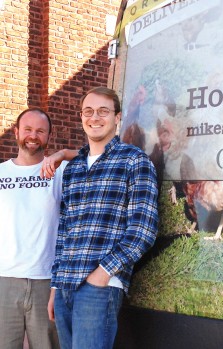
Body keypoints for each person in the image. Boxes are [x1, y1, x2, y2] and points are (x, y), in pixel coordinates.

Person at [48, 86, 159, 349]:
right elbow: (65, 230)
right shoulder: (73, 168)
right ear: (81, 117)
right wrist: (55, 286)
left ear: (117, 117)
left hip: (99, 286)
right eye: (88, 111)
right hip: (65, 284)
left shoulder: (134, 161)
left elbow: (143, 230)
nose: (94, 117)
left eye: (103, 111)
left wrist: (103, 274)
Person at [0, 108, 65, 349]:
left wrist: (62, 154)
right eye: (27, 129)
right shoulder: (1, 173)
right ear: (16, 132)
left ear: (49, 136)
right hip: (3, 279)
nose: (33, 135)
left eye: (40, 131)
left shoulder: (61, 173)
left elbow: (99, 158)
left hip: (46, 282)